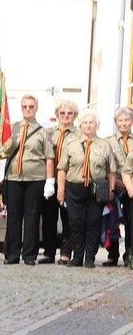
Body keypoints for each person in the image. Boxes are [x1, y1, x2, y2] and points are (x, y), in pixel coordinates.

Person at [0, 94, 49, 265]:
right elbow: (6, 149)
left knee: (32, 217)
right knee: (14, 216)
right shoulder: (13, 128)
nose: (28, 109)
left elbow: (49, 157)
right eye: (25, 106)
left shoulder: (42, 131)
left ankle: (29, 254)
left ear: (36, 108)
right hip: (14, 177)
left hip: (35, 177)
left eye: (31, 107)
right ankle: (12, 254)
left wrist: (50, 181)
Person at [57, 111, 111, 266]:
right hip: (75, 186)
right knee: (76, 223)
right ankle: (78, 256)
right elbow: (62, 168)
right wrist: (61, 190)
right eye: (85, 123)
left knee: (93, 223)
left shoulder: (104, 145)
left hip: (97, 187)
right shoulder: (71, 143)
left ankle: (90, 258)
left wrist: (111, 190)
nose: (88, 125)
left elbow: (111, 170)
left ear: (97, 126)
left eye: (91, 123)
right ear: (80, 125)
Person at [43, 100, 78, 263]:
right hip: (50, 179)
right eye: (62, 113)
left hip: (69, 180)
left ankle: (65, 253)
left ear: (74, 116)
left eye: (69, 113)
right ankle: (48, 252)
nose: (65, 116)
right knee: (49, 218)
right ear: (57, 115)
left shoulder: (78, 134)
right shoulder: (49, 133)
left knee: (67, 219)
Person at [109, 107, 133, 267]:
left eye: (126, 120)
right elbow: (107, 165)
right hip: (115, 184)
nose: (123, 123)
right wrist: (117, 183)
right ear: (116, 122)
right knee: (112, 221)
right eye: (120, 120)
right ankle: (112, 254)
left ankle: (129, 253)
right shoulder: (109, 141)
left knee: (131, 221)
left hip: (131, 186)